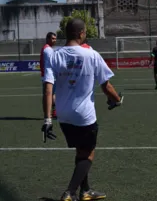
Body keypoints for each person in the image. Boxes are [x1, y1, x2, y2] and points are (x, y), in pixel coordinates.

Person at [41, 18, 123, 201]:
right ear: (81, 34)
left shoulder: (54, 55)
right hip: (84, 115)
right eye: (85, 32)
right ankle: (70, 192)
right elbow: (106, 86)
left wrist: (47, 119)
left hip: (62, 115)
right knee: (88, 152)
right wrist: (117, 100)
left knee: (81, 151)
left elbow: (48, 89)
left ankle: (85, 191)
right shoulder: (91, 54)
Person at [40, 32, 57, 118]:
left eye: (55, 39)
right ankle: (49, 113)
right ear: (47, 39)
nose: (54, 40)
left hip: (50, 76)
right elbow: (51, 64)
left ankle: (53, 112)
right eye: (52, 38)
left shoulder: (48, 49)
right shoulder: (48, 49)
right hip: (48, 76)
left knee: (50, 95)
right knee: (48, 95)